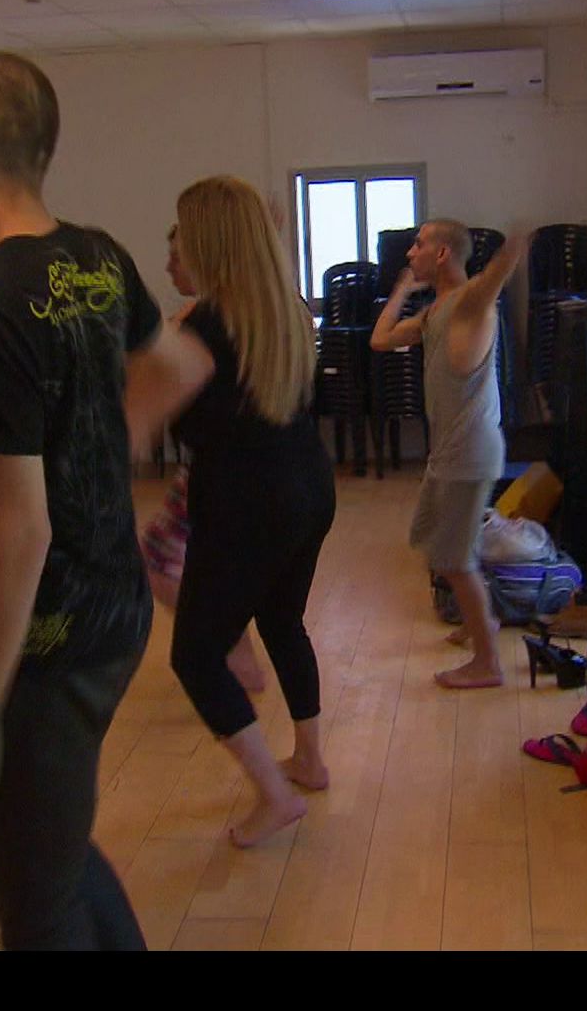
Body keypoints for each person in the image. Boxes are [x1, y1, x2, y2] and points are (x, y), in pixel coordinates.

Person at [0, 50, 167, 950]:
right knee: (50, 849)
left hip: (47, 640)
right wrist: (101, 455)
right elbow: (171, 366)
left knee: (34, 904)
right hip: (115, 609)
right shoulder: (99, 257)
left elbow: (18, 530)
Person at [125, 176, 336, 848]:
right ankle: (308, 759)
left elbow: (132, 430)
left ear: (208, 243)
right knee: (281, 620)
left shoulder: (205, 329)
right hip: (308, 490)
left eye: (183, 236)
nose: (174, 250)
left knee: (195, 655)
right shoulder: (283, 311)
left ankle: (276, 796)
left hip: (250, 505)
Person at [369, 219, 529, 689]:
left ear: (442, 254)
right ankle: (481, 620)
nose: (409, 252)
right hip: (447, 454)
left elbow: (492, 280)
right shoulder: (434, 313)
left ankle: (488, 662)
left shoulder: (470, 303)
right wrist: (403, 288)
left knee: (453, 558)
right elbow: (380, 339)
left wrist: (512, 249)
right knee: (435, 545)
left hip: (469, 453)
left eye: (418, 245)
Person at [139, 224, 269, 693]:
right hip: (222, 469)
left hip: (220, 471)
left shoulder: (206, 319)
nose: (169, 266)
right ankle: (236, 652)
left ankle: (232, 654)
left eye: (177, 257)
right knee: (190, 565)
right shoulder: (236, 311)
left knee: (158, 563)